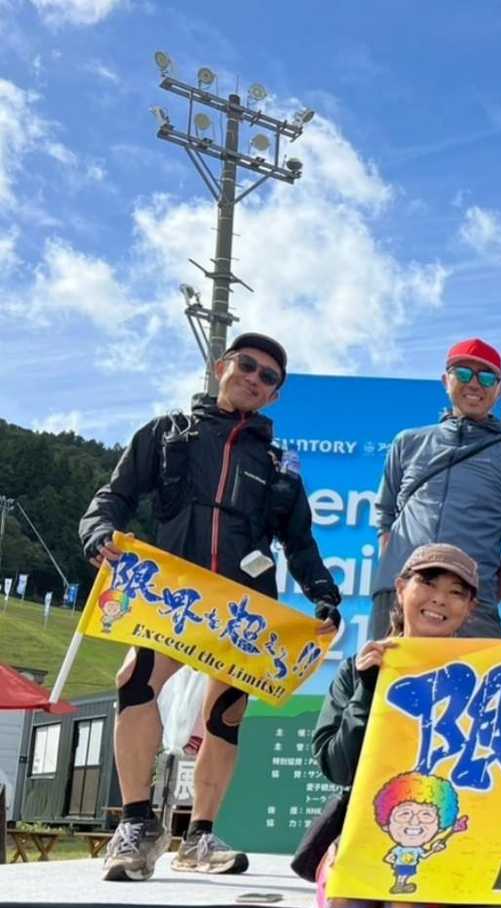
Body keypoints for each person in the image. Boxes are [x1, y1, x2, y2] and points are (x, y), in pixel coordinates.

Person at [79, 333, 341, 880]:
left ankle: (199, 837)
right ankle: (137, 824)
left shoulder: (278, 466)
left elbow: (299, 543)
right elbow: (114, 496)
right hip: (173, 597)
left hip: (244, 607)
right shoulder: (167, 433)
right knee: (134, 681)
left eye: (268, 377)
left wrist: (324, 595)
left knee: (225, 717)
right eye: (246, 365)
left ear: (274, 396)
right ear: (223, 366)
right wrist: (99, 530)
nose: (254, 378)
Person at [291, 543, 475, 908]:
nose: (439, 600)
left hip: (452, 829)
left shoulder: (487, 667)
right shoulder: (360, 667)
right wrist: (367, 691)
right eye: (428, 584)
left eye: (456, 593)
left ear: (469, 609)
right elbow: (336, 765)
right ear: (401, 590)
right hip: (370, 825)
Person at [370, 337, 501, 642]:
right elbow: (385, 515)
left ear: (500, 390)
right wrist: (400, 576)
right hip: (396, 599)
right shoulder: (407, 442)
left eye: (486, 377)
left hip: (472, 605)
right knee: (381, 673)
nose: (474, 383)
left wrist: (479, 596)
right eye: (463, 373)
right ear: (445, 380)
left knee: (475, 675)